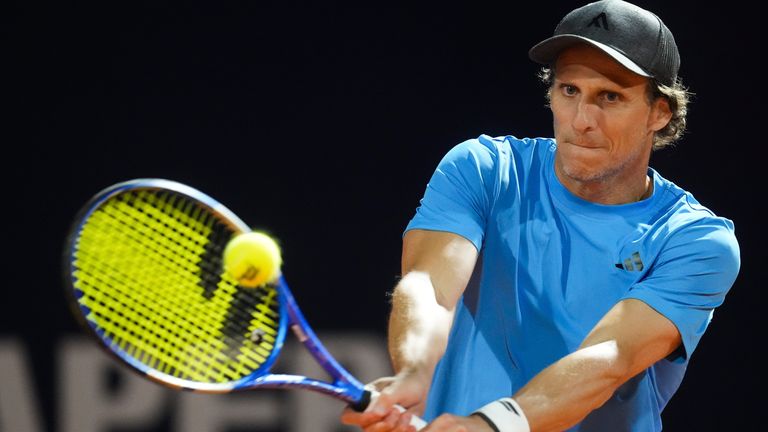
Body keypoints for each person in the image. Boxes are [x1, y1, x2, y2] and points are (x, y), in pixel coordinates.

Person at [341, 0, 741, 431]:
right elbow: (430, 289)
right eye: (570, 91)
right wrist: (413, 371)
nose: (582, 120)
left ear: (660, 112)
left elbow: (608, 358)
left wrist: (491, 425)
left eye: (610, 96)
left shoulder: (696, 241)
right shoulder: (484, 170)